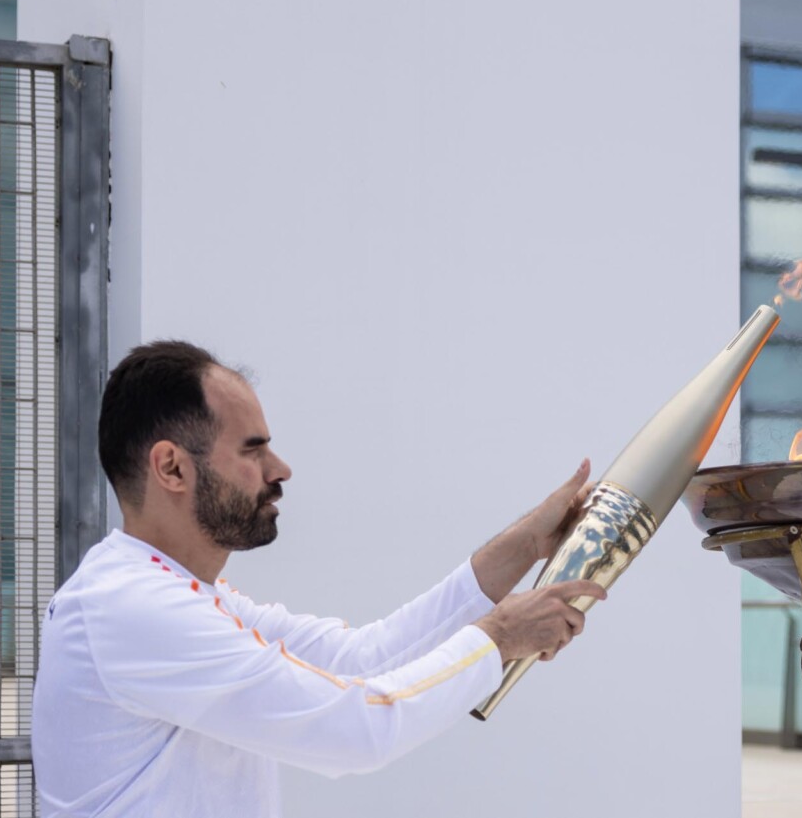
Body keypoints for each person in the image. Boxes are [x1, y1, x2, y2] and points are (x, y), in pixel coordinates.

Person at [33, 340, 606, 816]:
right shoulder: (132, 608)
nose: (280, 470)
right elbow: (356, 731)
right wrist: (500, 637)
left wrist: (525, 546)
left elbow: (364, 658)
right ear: (172, 468)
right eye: (252, 450)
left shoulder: (180, 595)